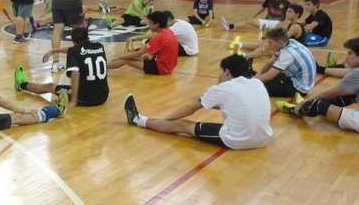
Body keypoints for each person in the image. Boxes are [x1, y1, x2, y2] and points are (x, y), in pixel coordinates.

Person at [123, 54, 272, 150]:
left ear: (226, 71)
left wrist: (165, 120)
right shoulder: (257, 83)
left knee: (181, 124)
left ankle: (137, 119)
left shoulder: (223, 87)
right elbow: (235, 104)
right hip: (263, 139)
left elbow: (190, 109)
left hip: (238, 141)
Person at [276, 37, 359, 137]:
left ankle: (295, 110)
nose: (346, 58)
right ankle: (319, 109)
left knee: (315, 105)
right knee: (353, 93)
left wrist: (305, 102)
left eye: (350, 53)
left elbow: (329, 93)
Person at [20, 27, 109, 111]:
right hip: (103, 96)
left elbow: (75, 73)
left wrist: (73, 100)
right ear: (88, 37)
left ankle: (21, 84)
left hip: (84, 98)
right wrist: (55, 50)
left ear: (74, 43)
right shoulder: (99, 46)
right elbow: (79, 50)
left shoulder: (74, 51)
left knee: (49, 86)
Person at [107, 11, 178, 75]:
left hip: (161, 68)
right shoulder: (168, 32)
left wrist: (120, 56)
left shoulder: (158, 37)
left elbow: (138, 54)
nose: (148, 25)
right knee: (144, 55)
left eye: (150, 22)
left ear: (157, 24)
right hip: (169, 66)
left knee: (125, 60)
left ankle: (101, 67)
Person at [253, 28, 316, 97]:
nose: (268, 45)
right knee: (260, 78)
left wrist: (252, 83)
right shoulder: (290, 42)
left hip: (299, 88)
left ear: (279, 42)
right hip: (295, 78)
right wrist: (257, 75)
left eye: (270, 42)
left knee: (259, 89)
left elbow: (269, 77)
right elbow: (270, 63)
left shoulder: (287, 54)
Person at [231, 4, 306, 58]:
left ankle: (241, 56)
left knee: (266, 50)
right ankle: (238, 45)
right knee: (262, 45)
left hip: (296, 53)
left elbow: (281, 38)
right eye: (287, 11)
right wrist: (265, 43)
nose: (286, 13)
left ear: (297, 14)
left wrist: (265, 46)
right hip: (289, 49)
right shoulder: (289, 24)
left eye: (290, 12)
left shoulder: (296, 26)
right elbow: (275, 35)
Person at [221, 0, 290, 33]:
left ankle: (270, 30)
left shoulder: (286, 2)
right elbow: (263, 8)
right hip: (267, 21)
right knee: (248, 20)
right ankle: (230, 26)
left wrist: (285, 23)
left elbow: (289, 14)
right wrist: (253, 17)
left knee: (282, 28)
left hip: (278, 23)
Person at [132, 10, 198, 56]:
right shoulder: (178, 21)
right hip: (188, 46)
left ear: (169, 20)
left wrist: (137, 37)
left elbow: (157, 35)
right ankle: (144, 51)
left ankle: (141, 52)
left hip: (188, 50)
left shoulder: (176, 27)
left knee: (158, 41)